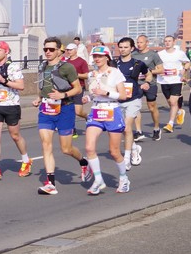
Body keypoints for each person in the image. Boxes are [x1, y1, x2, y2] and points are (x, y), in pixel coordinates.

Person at [31, 37, 87, 195]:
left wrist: (63, 95)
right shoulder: (42, 66)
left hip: (65, 109)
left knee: (66, 149)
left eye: (51, 49)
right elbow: (43, 86)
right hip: (46, 109)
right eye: (45, 49)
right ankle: (50, 184)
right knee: (46, 144)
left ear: (58, 51)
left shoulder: (67, 67)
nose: (48, 52)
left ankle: (83, 161)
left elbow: (77, 89)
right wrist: (39, 98)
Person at [82, 45, 130, 194]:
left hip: (112, 111)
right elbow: (93, 94)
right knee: (89, 148)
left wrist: (106, 92)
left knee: (114, 151)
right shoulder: (91, 74)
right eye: (95, 56)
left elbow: (123, 95)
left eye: (100, 56)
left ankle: (124, 178)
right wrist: (88, 98)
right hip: (96, 111)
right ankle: (98, 180)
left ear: (107, 58)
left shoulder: (115, 72)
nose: (97, 59)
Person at [0, 42, 31, 181]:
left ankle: (26, 160)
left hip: (11, 105)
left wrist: (4, 81)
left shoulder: (13, 67)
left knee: (15, 136)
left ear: (6, 52)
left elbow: (21, 86)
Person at [112, 37, 151, 168]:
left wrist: (146, 83)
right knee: (123, 128)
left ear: (132, 48)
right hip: (118, 100)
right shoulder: (114, 64)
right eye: (121, 47)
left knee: (127, 127)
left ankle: (127, 158)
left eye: (126, 47)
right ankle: (134, 149)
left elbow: (149, 74)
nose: (123, 50)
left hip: (133, 99)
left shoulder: (138, 63)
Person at [156, 35, 190, 133]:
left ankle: (170, 124)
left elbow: (188, 62)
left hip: (176, 80)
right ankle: (179, 111)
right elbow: (156, 65)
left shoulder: (179, 53)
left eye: (169, 41)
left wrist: (184, 69)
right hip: (164, 80)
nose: (167, 43)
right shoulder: (160, 54)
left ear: (173, 42)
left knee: (173, 102)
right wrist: (159, 71)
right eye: (166, 41)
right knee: (170, 103)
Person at [133, 35, 164, 140]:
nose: (139, 44)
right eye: (137, 42)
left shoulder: (153, 54)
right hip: (137, 84)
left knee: (151, 107)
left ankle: (156, 128)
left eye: (141, 42)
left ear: (147, 43)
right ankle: (138, 131)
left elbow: (161, 70)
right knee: (135, 107)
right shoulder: (133, 55)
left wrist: (148, 72)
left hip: (150, 84)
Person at [61, 42, 90, 131]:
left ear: (75, 50)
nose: (68, 51)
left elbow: (86, 75)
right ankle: (72, 129)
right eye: (67, 50)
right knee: (68, 111)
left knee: (78, 111)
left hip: (79, 88)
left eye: (70, 50)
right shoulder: (65, 62)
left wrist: (75, 75)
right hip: (68, 88)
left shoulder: (82, 61)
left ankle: (87, 117)